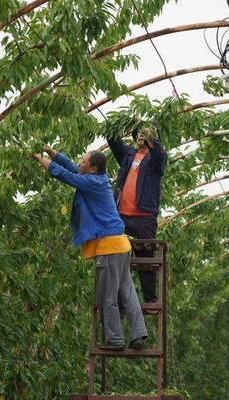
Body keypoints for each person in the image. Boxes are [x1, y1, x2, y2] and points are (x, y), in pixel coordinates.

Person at [33, 146, 148, 350]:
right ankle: (138, 334)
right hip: (121, 245)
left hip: (108, 248)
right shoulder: (97, 179)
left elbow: (64, 174)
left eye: (84, 161)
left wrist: (38, 158)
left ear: (93, 168)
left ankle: (114, 340)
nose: (80, 163)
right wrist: (51, 152)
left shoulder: (90, 182)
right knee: (127, 292)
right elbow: (71, 167)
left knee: (107, 297)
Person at [107, 123, 167, 303]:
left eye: (145, 133)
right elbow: (112, 139)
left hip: (144, 217)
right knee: (115, 255)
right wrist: (126, 122)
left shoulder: (156, 159)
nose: (141, 135)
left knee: (145, 257)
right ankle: (116, 298)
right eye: (139, 133)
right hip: (122, 215)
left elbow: (160, 153)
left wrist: (152, 139)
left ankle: (150, 299)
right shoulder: (129, 155)